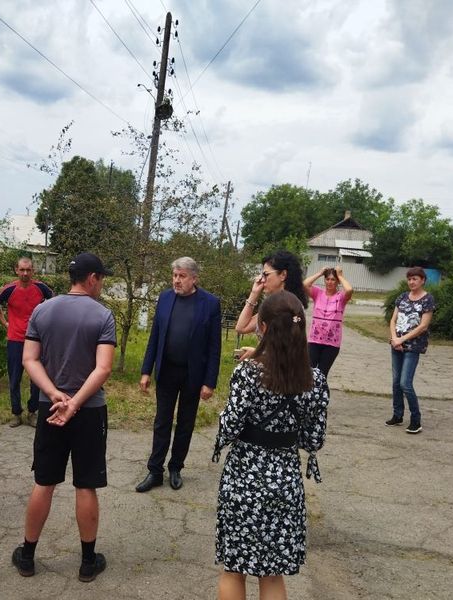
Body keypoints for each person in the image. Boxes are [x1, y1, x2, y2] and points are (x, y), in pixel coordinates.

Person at [213, 291, 329, 600]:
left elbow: (230, 427)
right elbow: (313, 440)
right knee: (272, 575)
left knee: (233, 568)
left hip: (243, 480)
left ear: (262, 327)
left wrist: (224, 426)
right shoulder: (315, 380)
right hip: (285, 482)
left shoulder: (248, 374)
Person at [11, 252, 116, 583]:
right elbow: (103, 368)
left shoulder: (43, 310)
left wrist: (55, 394)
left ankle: (27, 556)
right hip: (89, 410)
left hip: (49, 408)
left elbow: (30, 359)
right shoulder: (102, 315)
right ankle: (88, 562)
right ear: (92, 279)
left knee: (45, 481)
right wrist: (74, 403)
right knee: (86, 483)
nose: (101, 284)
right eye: (101, 279)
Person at [135, 257, 222, 493]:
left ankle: (176, 468)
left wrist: (209, 381)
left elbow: (215, 347)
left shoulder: (210, 304)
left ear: (194, 278)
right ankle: (155, 471)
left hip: (193, 374)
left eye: (182, 276)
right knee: (162, 421)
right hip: (167, 370)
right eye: (174, 275)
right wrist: (146, 370)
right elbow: (155, 337)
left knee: (185, 423)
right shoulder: (164, 298)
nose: (176, 280)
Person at [0, 257, 53, 427]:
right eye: (22, 270)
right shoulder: (10, 289)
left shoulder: (41, 288)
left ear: (33, 271)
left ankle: (32, 412)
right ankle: (16, 413)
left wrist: (46, 322)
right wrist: (4, 322)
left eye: (28, 270)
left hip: (35, 340)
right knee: (14, 379)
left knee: (36, 379)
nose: (25, 273)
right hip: (15, 339)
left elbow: (54, 302)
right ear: (16, 270)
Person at [386, 267, 436, 434]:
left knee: (405, 383)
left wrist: (402, 339)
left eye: (415, 279)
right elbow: (393, 320)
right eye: (409, 279)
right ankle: (397, 415)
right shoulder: (402, 297)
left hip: (412, 347)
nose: (411, 282)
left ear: (422, 280)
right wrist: (394, 339)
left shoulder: (427, 299)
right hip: (396, 345)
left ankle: (416, 420)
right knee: (395, 382)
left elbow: (423, 326)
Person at [234, 250, 309, 360]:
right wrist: (254, 294)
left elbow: (286, 351)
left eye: (266, 274)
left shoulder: (290, 307)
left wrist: (257, 353)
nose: (262, 280)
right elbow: (241, 327)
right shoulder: (273, 304)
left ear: (283, 275)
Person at [302, 266, 353, 377]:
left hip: (331, 344)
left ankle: (321, 394)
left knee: (322, 375)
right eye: (327, 279)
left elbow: (349, 290)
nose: (329, 282)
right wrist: (320, 273)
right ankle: (308, 394)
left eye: (333, 279)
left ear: (337, 281)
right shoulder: (317, 293)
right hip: (314, 341)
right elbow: (305, 284)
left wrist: (340, 275)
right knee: (308, 373)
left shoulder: (341, 297)